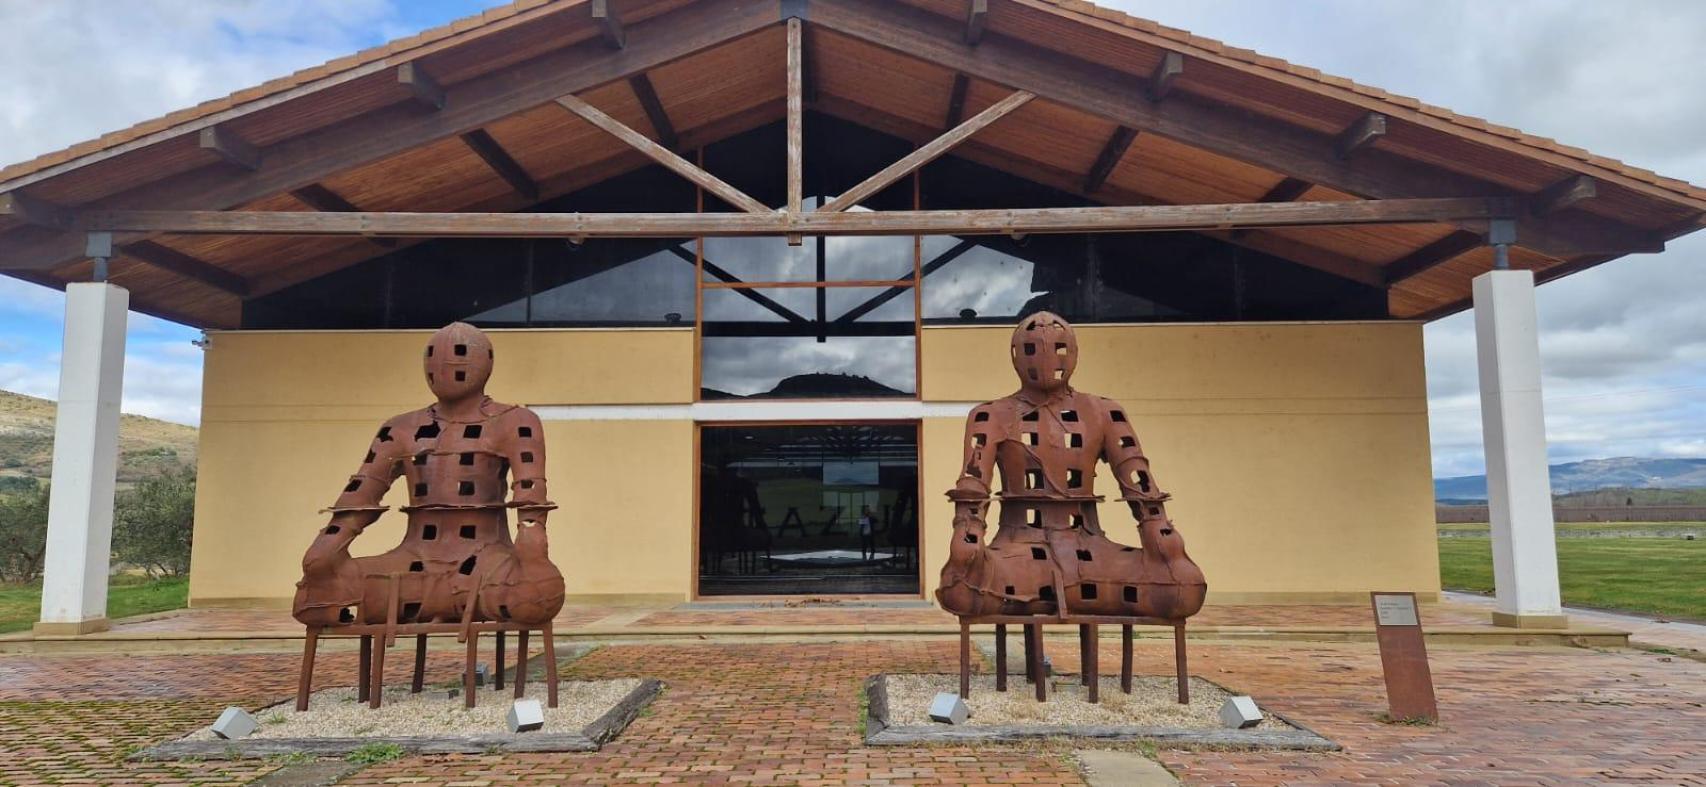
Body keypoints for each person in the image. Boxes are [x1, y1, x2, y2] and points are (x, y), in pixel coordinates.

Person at [292, 322, 565, 628]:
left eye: (460, 355)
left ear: (484, 364)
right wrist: (324, 552)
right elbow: (362, 492)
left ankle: (436, 600)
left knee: (536, 596)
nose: (449, 366)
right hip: (412, 562)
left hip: (486, 561)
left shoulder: (514, 421)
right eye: (437, 357)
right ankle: (442, 600)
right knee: (313, 599)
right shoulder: (400, 428)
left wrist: (532, 552)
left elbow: (529, 494)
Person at [936, 311, 1206, 620]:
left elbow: (1138, 479)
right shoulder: (991, 415)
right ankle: (1053, 591)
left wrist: (1160, 536)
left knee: (1182, 587)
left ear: (1074, 353)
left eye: (1058, 348)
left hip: (1091, 543)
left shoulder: (1104, 411)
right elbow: (974, 482)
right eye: (1032, 349)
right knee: (961, 588)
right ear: (1016, 356)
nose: (1047, 358)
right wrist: (968, 531)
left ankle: (1065, 592)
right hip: (1016, 547)